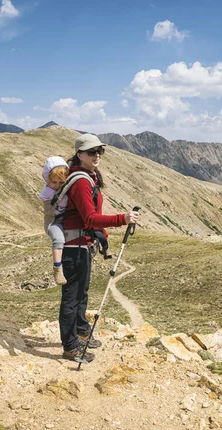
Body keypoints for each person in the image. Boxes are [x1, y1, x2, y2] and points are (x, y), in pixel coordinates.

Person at [60, 134, 139, 362]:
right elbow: (90, 217)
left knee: (81, 293)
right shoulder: (82, 181)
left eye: (99, 151)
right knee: (71, 297)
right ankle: (70, 346)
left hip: (82, 244)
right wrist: (122, 219)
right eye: (91, 152)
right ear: (79, 155)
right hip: (74, 246)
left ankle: (81, 332)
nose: (97, 155)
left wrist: (99, 238)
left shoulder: (89, 177)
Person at [39, 156, 70, 285]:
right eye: (54, 182)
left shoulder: (66, 188)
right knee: (59, 239)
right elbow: (44, 203)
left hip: (64, 219)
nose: (57, 185)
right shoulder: (47, 191)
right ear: (48, 179)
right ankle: (57, 269)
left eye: (61, 182)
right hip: (53, 222)